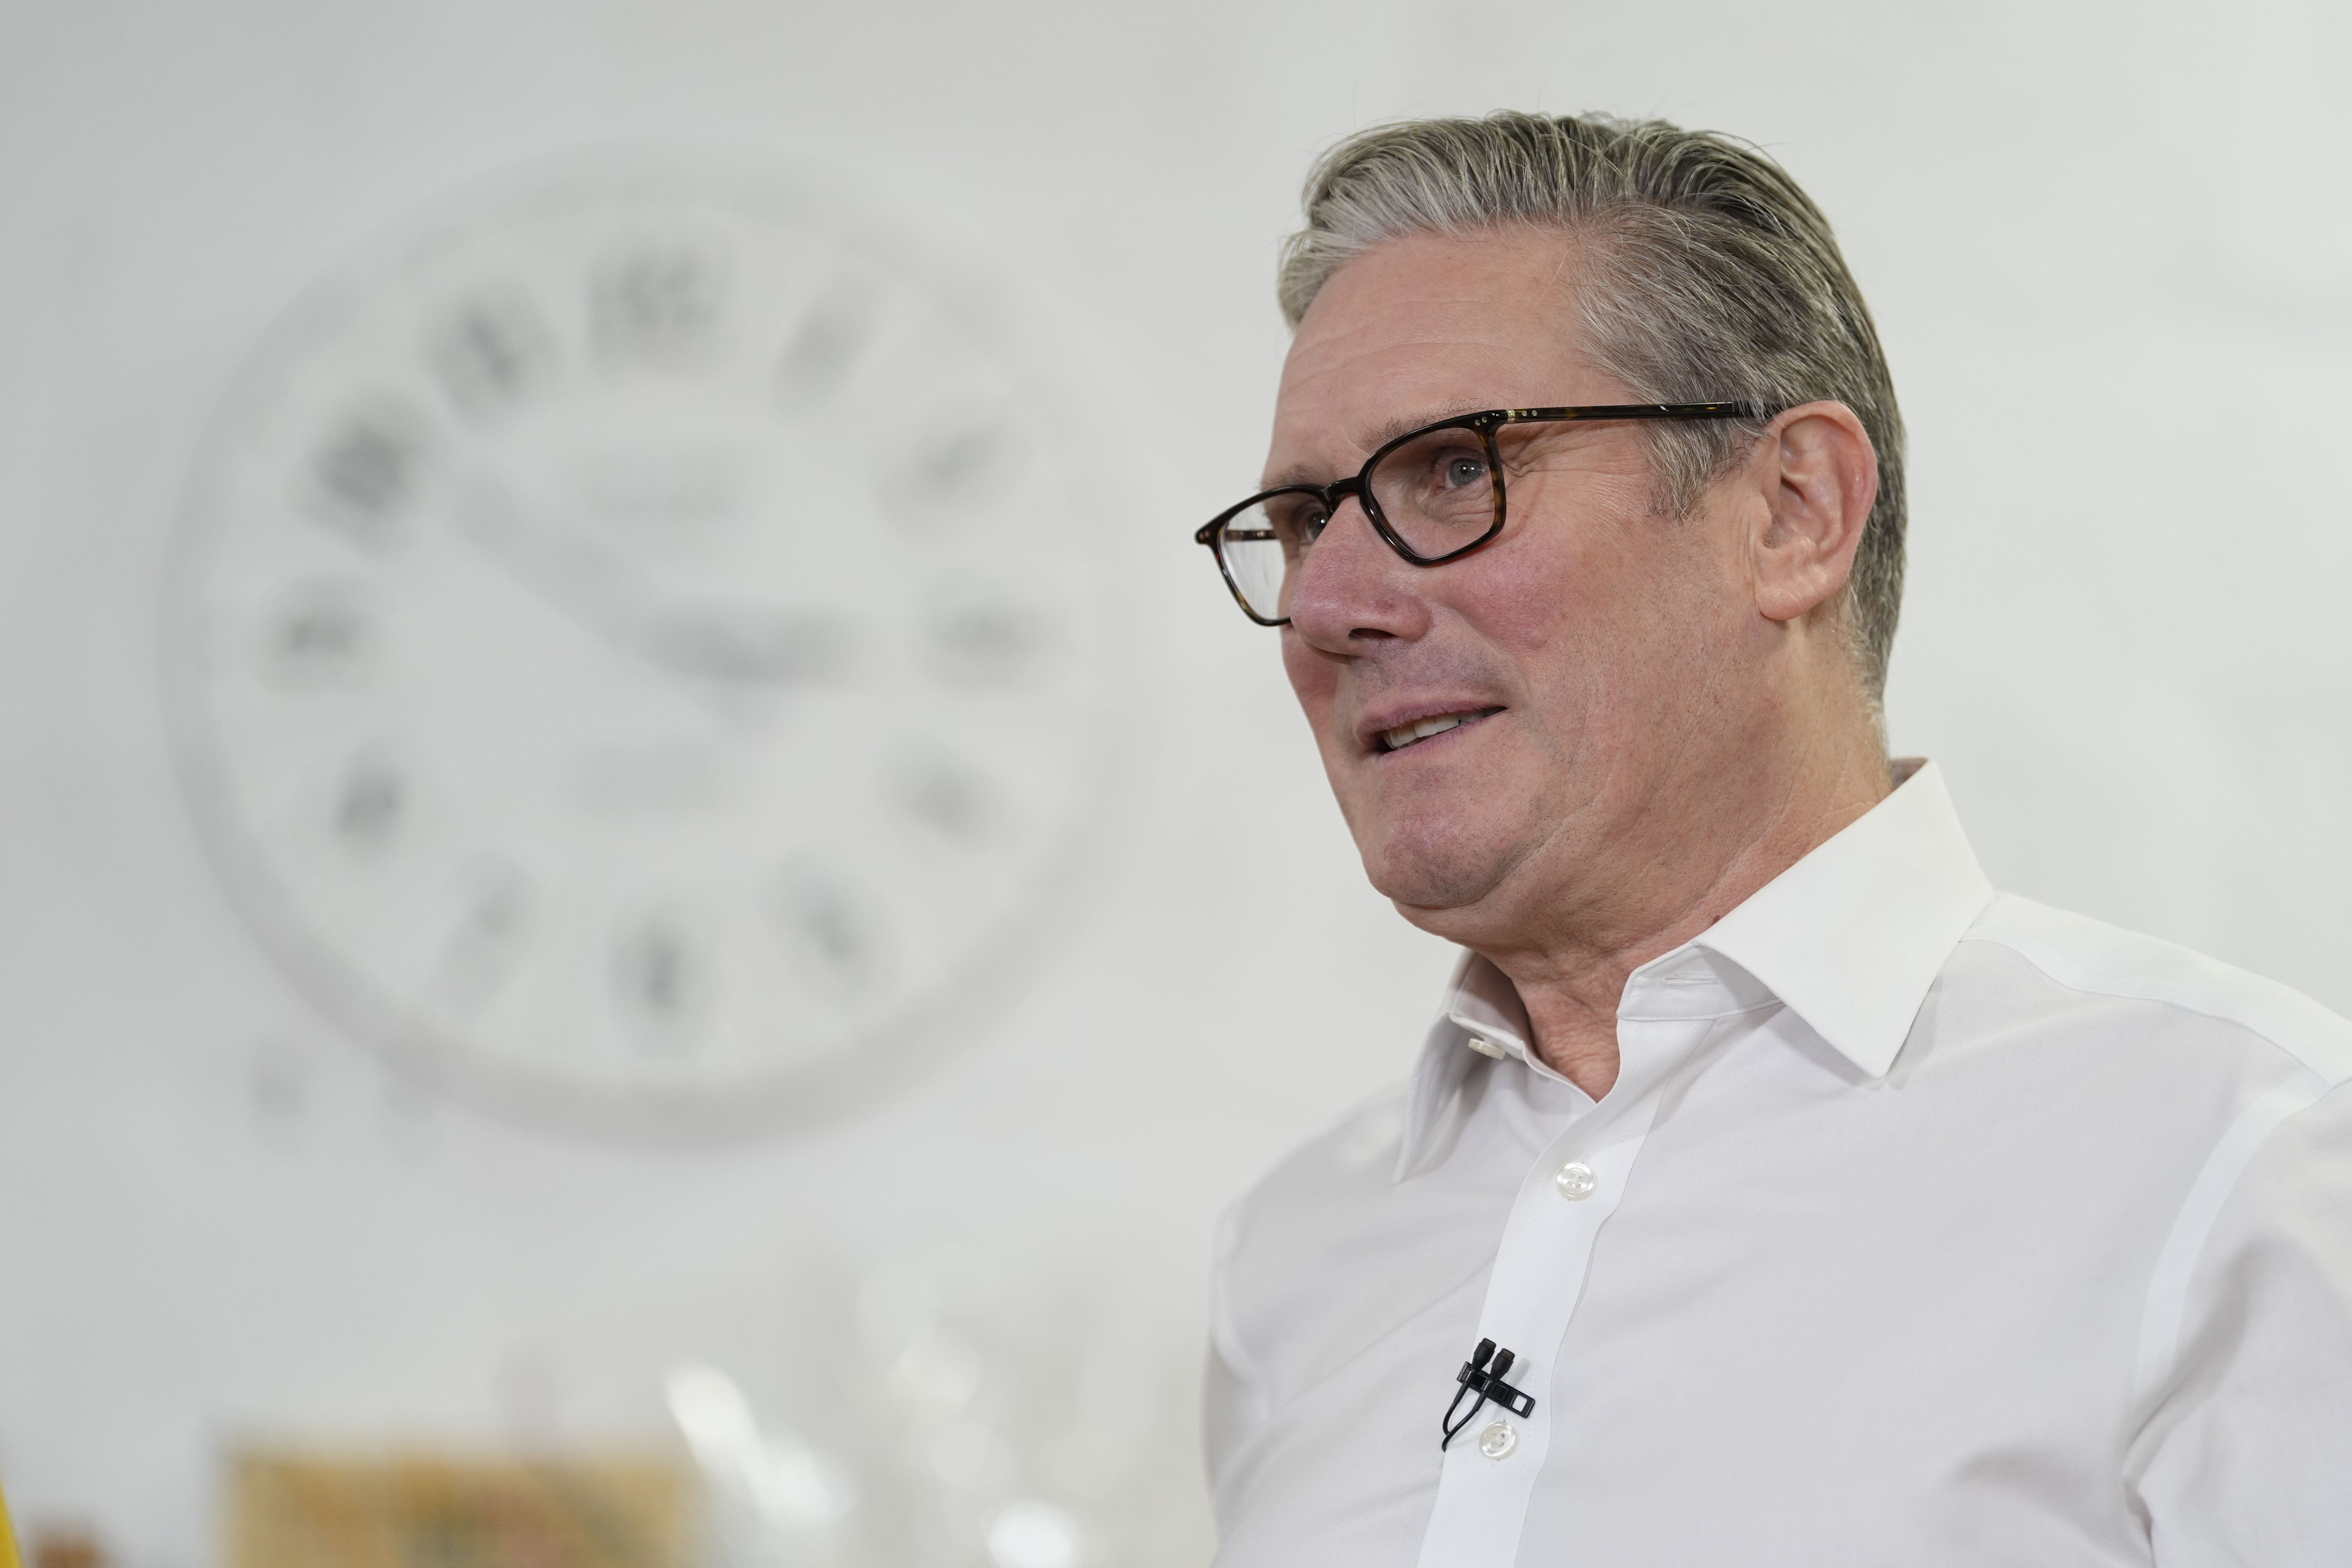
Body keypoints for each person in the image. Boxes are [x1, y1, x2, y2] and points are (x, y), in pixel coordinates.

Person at [1193, 111, 2352, 1568]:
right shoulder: (1294, 1255)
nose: (1326, 605)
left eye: (1450, 472)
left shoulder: (2251, 1164)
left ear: (1796, 514)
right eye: (1303, 519)